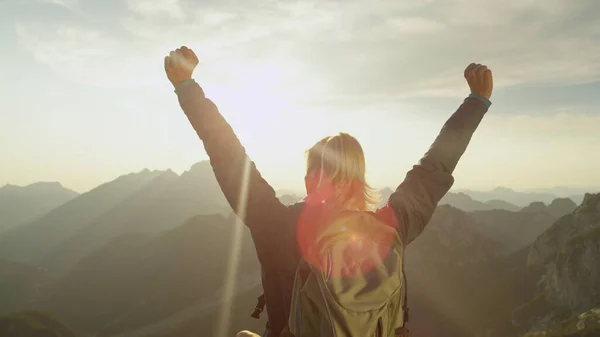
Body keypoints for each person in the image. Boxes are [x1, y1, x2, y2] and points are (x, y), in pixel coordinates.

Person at [164, 46, 493, 337]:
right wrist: (477, 101)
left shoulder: (277, 227)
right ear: (360, 180)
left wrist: (187, 87)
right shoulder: (393, 227)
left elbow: (230, 159)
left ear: (310, 181)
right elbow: (435, 167)